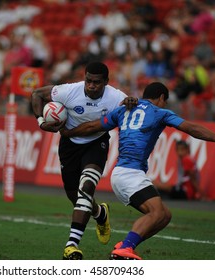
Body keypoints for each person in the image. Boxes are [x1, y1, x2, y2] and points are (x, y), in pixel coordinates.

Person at [60, 82, 215, 260]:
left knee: (165, 216)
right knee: (156, 213)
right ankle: (126, 248)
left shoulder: (123, 110)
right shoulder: (160, 112)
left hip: (121, 174)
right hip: (130, 174)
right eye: (164, 100)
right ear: (161, 97)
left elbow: (93, 126)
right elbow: (191, 128)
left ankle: (123, 246)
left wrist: (68, 132)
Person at [31, 61, 137, 260]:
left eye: (96, 82)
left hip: (96, 144)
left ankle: (71, 245)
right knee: (75, 197)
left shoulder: (116, 97)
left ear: (106, 81)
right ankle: (100, 213)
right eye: (88, 81)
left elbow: (132, 104)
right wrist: (40, 121)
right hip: (69, 145)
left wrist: (132, 102)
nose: (91, 86)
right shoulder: (69, 91)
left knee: (86, 187)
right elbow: (36, 94)